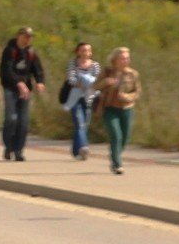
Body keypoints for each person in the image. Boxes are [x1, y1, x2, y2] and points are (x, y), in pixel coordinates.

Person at [0, 26, 45, 161]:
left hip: (25, 91)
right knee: (11, 118)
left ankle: (18, 150)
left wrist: (40, 82)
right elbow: (6, 71)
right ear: (19, 36)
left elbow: (38, 69)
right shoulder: (10, 51)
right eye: (25, 36)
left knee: (23, 122)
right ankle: (9, 146)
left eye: (30, 37)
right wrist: (18, 83)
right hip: (11, 89)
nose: (27, 39)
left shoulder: (31, 52)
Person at [96, 47, 142, 175]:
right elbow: (95, 86)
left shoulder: (132, 74)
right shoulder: (107, 72)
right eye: (122, 58)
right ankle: (117, 164)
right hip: (110, 109)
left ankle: (114, 154)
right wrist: (105, 82)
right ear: (115, 59)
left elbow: (137, 92)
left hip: (126, 109)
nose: (125, 60)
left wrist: (127, 97)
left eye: (127, 58)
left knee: (125, 137)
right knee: (116, 135)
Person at [56, 42, 101, 161]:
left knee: (84, 124)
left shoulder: (95, 65)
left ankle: (76, 151)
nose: (86, 52)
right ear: (78, 52)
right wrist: (81, 83)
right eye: (83, 50)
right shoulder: (73, 64)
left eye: (88, 50)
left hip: (89, 97)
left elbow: (97, 80)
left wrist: (89, 83)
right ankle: (84, 147)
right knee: (79, 121)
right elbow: (71, 79)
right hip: (75, 97)